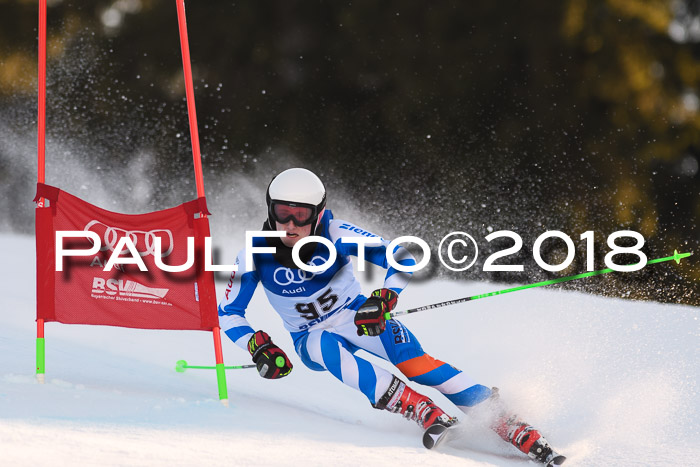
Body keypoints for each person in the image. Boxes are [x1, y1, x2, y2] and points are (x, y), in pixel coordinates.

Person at [218, 168, 564, 465]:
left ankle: (505, 420)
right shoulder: (254, 253)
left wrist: (384, 298)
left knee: (416, 365)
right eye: (282, 212)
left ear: (318, 213)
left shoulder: (337, 233)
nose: (290, 224)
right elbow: (229, 312)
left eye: (301, 215)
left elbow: (402, 258)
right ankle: (417, 407)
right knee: (325, 345)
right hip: (308, 337)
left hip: (356, 315)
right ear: (269, 209)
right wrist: (257, 345)